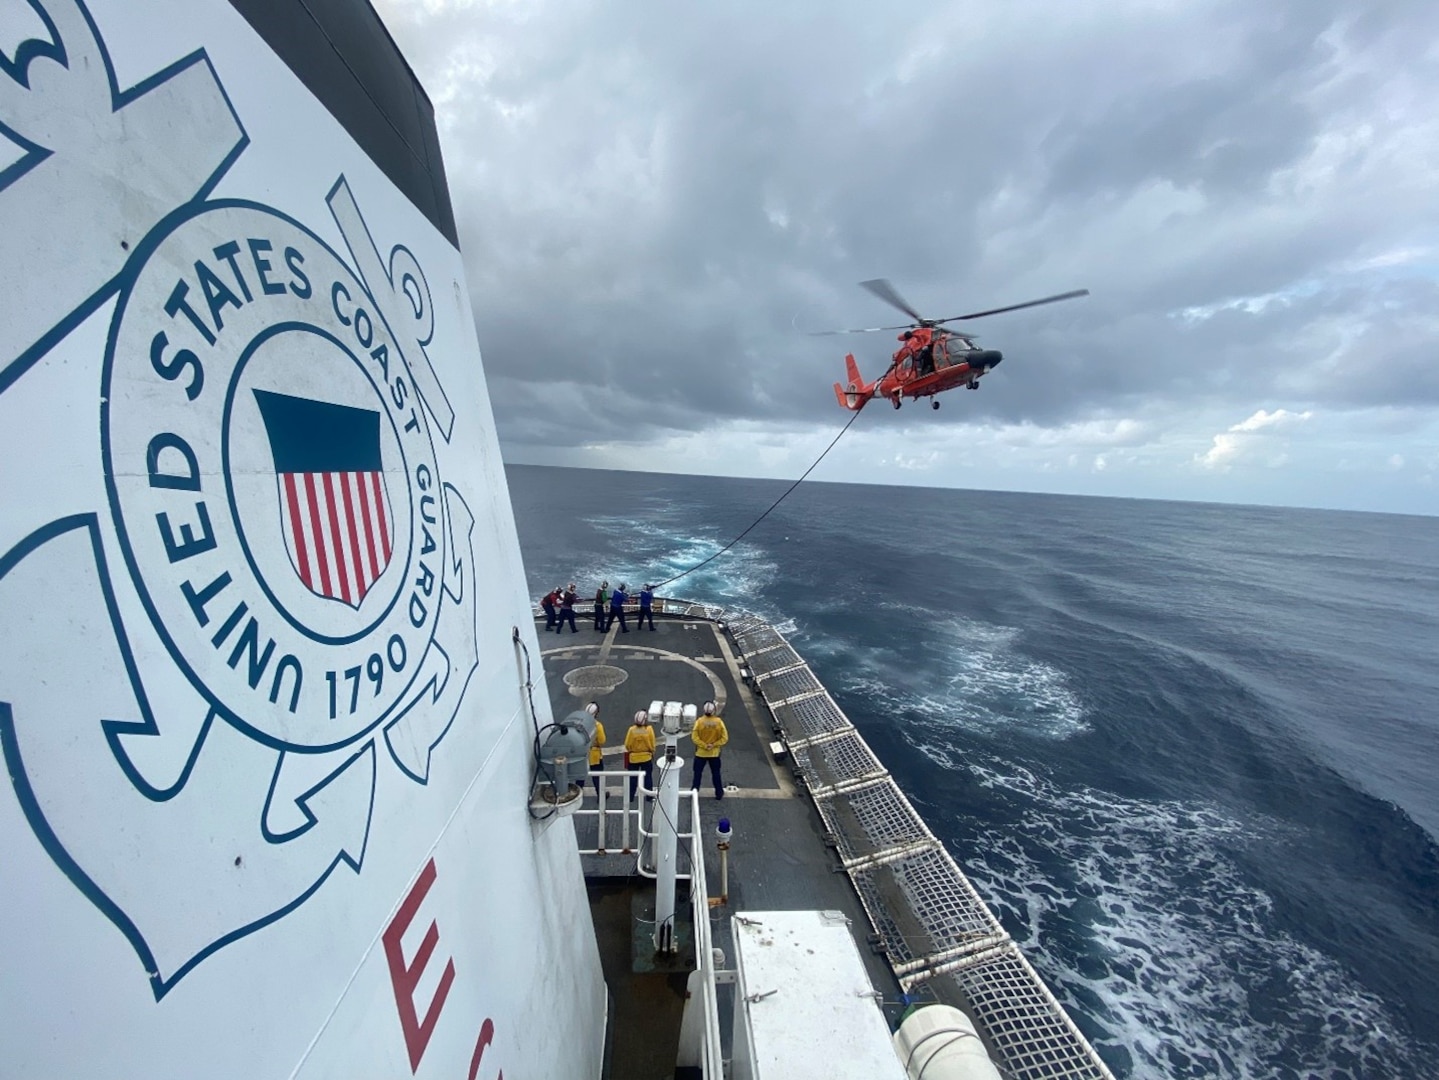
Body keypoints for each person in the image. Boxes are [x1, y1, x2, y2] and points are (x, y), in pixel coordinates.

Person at [691, 701, 728, 799]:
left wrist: (704, 745)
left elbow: (694, 737)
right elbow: (724, 738)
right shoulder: (719, 722)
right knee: (716, 774)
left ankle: (694, 792)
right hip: (714, 753)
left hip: (700, 753)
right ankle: (719, 793)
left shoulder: (699, 722)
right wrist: (714, 745)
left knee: (697, 774)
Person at [624, 710, 655, 798]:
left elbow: (627, 745)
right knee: (647, 777)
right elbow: (652, 745)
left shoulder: (631, 730)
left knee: (633, 779)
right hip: (646, 758)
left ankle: (630, 796)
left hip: (633, 758)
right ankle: (649, 796)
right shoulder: (649, 729)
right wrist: (652, 752)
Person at [584, 701, 605, 796]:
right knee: (597, 776)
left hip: (583, 753)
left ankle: (578, 792)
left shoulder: (580, 723)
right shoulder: (597, 725)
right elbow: (602, 740)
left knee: (580, 775)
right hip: (594, 754)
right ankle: (600, 795)